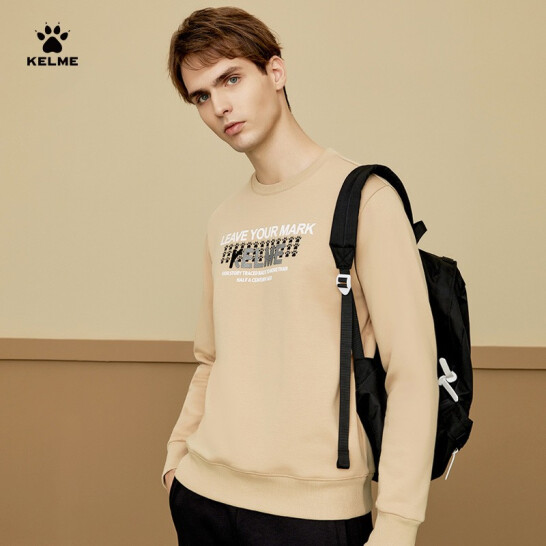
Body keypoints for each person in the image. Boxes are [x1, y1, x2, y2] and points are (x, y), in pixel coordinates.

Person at [162, 6, 438, 546]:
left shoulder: (366, 200)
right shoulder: (223, 220)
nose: (219, 106)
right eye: (201, 96)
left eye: (231, 79)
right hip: (203, 497)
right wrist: (176, 460)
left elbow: (411, 370)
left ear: (276, 71)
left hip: (313, 515)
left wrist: (399, 522)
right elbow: (211, 359)